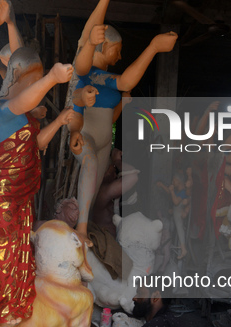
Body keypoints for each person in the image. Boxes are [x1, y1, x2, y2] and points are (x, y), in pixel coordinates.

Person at [0, 0, 73, 327]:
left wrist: (1, 25)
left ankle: (8, 308)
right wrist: (50, 78)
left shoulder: (5, 111)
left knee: (15, 251)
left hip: (16, 198)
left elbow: (20, 101)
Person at [67, 0, 178, 244]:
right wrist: (153, 47)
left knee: (93, 192)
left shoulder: (105, 78)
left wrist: (122, 105)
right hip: (85, 135)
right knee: (88, 166)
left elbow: (116, 104)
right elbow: (86, 62)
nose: (119, 56)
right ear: (102, 46)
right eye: (116, 49)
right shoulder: (86, 74)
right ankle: (81, 230)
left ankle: (86, 229)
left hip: (104, 140)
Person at [91, 148, 139, 237]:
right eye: (112, 169)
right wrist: (117, 160)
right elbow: (133, 177)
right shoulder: (102, 193)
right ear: (102, 172)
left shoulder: (111, 197)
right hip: (107, 243)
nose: (114, 174)